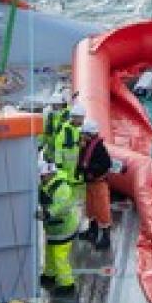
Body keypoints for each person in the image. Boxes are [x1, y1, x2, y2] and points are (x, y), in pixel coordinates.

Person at [37, 155, 82, 291]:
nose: (41, 178)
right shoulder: (47, 184)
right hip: (54, 228)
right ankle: (50, 274)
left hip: (64, 229)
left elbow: (60, 206)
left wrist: (47, 213)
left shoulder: (62, 188)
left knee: (59, 257)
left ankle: (67, 284)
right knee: (50, 252)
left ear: (50, 173)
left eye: (43, 176)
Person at [77, 117, 114, 250]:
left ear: (90, 134)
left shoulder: (99, 148)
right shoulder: (87, 146)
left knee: (102, 211)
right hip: (90, 183)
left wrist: (91, 170)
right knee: (91, 208)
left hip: (98, 183)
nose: (82, 136)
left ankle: (106, 238)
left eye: (84, 134)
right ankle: (92, 232)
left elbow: (107, 164)